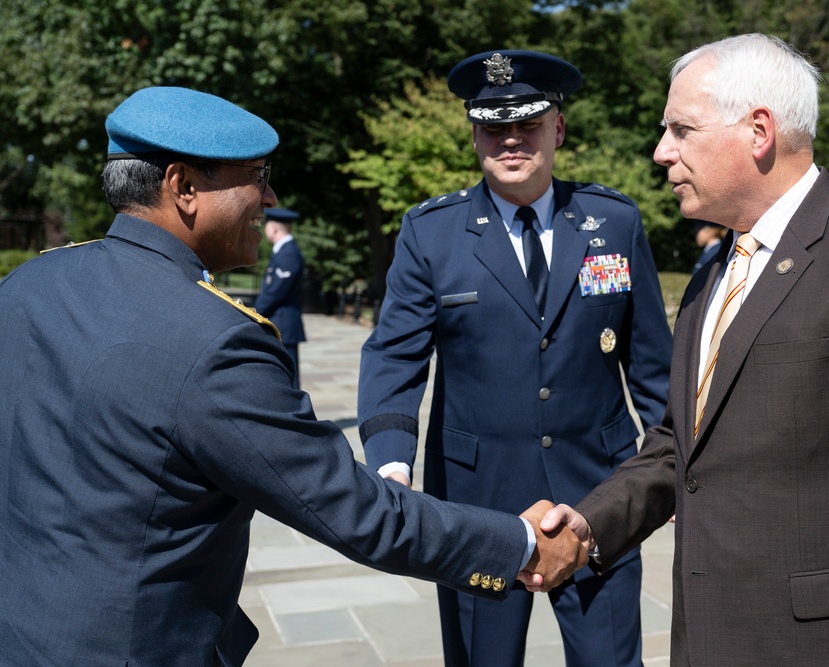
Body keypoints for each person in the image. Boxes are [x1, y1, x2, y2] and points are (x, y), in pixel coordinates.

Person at [0, 86, 587, 667]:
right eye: (256, 175)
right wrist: (522, 543)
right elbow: (354, 510)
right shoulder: (214, 342)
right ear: (182, 187)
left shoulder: (30, 284)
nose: (270, 196)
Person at [536, 34, 829, 666]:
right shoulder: (712, 272)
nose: (661, 153)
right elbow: (680, 445)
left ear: (758, 130)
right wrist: (586, 525)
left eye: (680, 129)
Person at [357, 50, 672, 667]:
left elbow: (653, 365)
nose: (510, 140)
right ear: (474, 133)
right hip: (478, 501)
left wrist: (680, 472)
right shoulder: (433, 232)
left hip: (599, 492)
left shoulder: (613, 220)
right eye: (492, 126)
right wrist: (392, 464)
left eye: (527, 124)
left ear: (557, 128)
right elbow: (395, 355)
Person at [255, 206, 306, 387]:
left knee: (288, 380)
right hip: (280, 324)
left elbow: (274, 292)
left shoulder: (288, 254)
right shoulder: (284, 252)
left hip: (283, 326)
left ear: (274, 228)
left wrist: (254, 313)